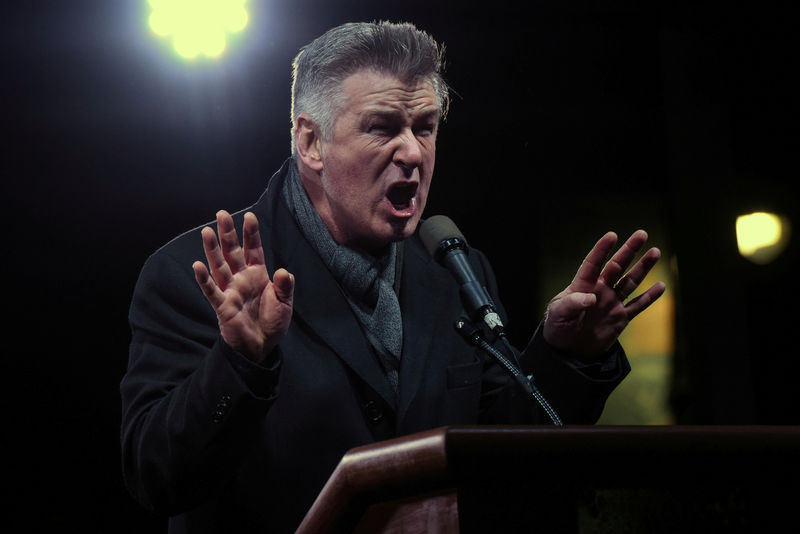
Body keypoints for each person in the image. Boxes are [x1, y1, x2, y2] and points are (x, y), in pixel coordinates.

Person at [120, 21, 665, 533]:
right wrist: (240, 362)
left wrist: (568, 355)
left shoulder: (455, 270)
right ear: (311, 143)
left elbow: (502, 451)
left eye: (424, 127)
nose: (413, 151)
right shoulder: (198, 275)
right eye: (383, 128)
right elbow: (157, 477)